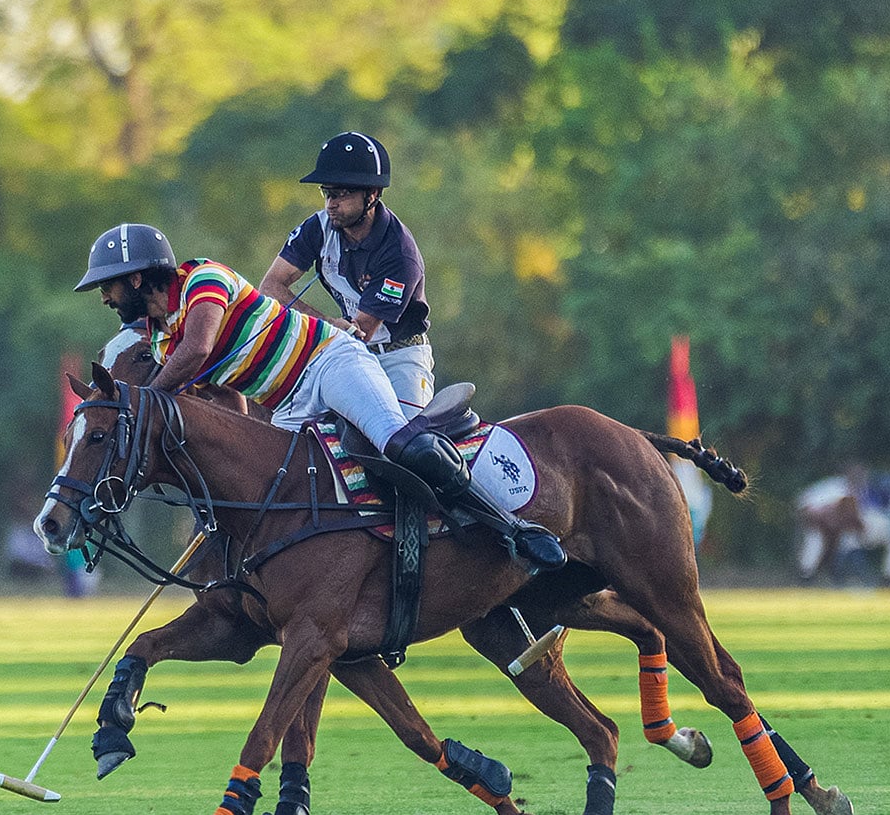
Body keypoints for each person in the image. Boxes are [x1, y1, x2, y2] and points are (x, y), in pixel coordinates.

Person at [74, 222, 564, 572]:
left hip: (329, 362)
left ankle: (512, 529)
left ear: (138, 278)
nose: (104, 298)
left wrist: (134, 408)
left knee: (398, 442)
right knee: (270, 501)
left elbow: (201, 347)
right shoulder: (161, 340)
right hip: (287, 404)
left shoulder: (203, 279)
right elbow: (227, 399)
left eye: (108, 286)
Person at [259, 132, 433, 420]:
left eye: (342, 195)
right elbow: (270, 286)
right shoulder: (318, 227)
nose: (331, 204)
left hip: (398, 357)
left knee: (402, 443)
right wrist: (325, 322)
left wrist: (326, 329)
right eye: (327, 193)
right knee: (284, 423)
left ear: (372, 195)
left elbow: (363, 330)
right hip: (345, 346)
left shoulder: (399, 253)